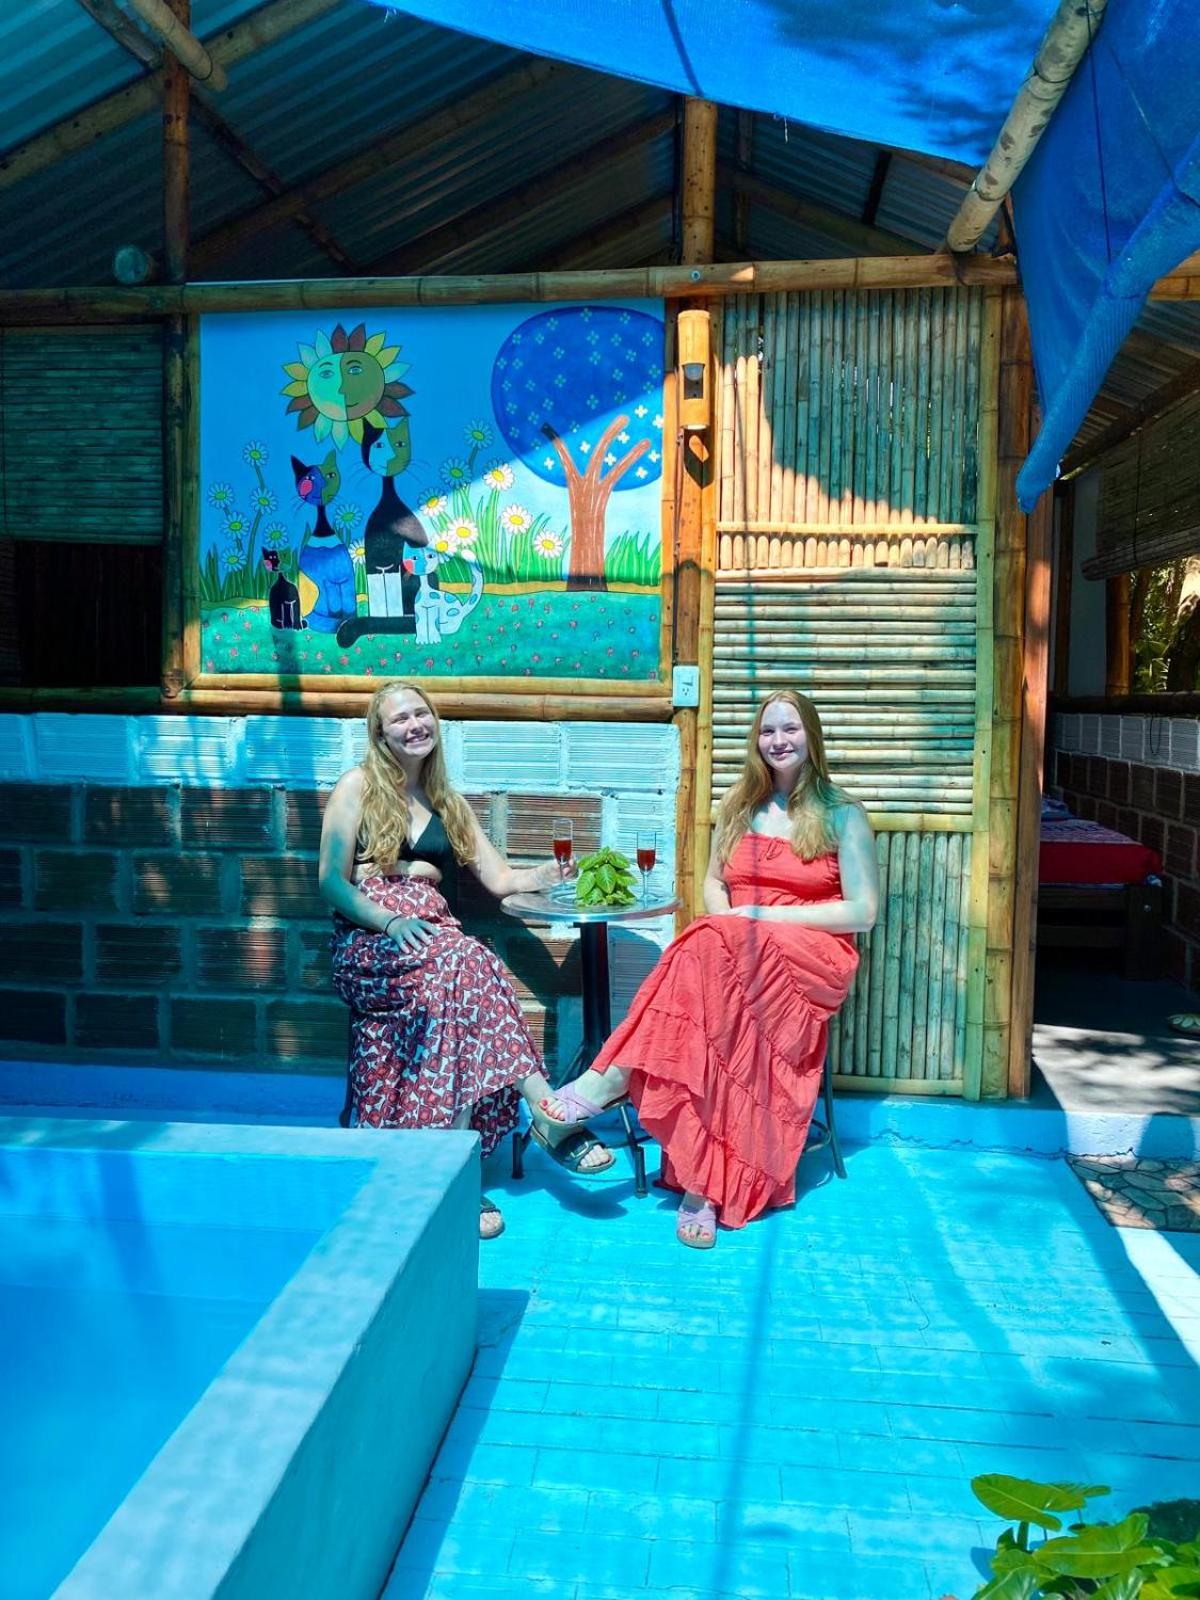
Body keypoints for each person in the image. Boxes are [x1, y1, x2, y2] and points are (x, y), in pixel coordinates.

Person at [543, 691, 878, 1249]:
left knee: (710, 944)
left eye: (790, 728)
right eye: (767, 731)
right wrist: (734, 925)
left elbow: (863, 913)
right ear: (755, 741)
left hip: (811, 958)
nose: (778, 740)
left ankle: (612, 1079)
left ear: (811, 735)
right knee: (712, 985)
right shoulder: (739, 806)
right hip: (735, 954)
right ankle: (701, 1188)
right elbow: (713, 886)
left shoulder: (844, 815)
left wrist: (758, 917)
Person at [320, 680, 613, 1241]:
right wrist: (391, 917)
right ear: (380, 733)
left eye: (421, 713)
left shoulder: (446, 802)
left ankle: (458, 1170)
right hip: (369, 940)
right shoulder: (357, 786)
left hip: (435, 942)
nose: (414, 725)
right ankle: (547, 1113)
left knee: (459, 978)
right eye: (399, 718)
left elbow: (500, 879)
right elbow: (331, 882)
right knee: (467, 961)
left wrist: (547, 873)